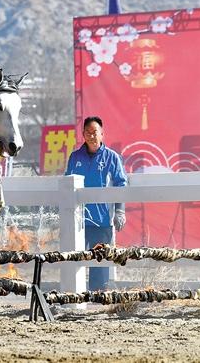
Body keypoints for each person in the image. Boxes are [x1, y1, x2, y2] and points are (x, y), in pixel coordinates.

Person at [65, 116, 128, 290]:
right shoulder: (75, 157)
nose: (92, 136)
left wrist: (120, 211)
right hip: (78, 220)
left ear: (102, 134)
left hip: (102, 221)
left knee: (100, 262)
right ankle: (75, 295)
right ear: (83, 135)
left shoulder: (112, 158)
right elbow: (66, 183)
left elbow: (121, 184)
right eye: (88, 133)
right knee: (74, 259)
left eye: (95, 132)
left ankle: (97, 296)